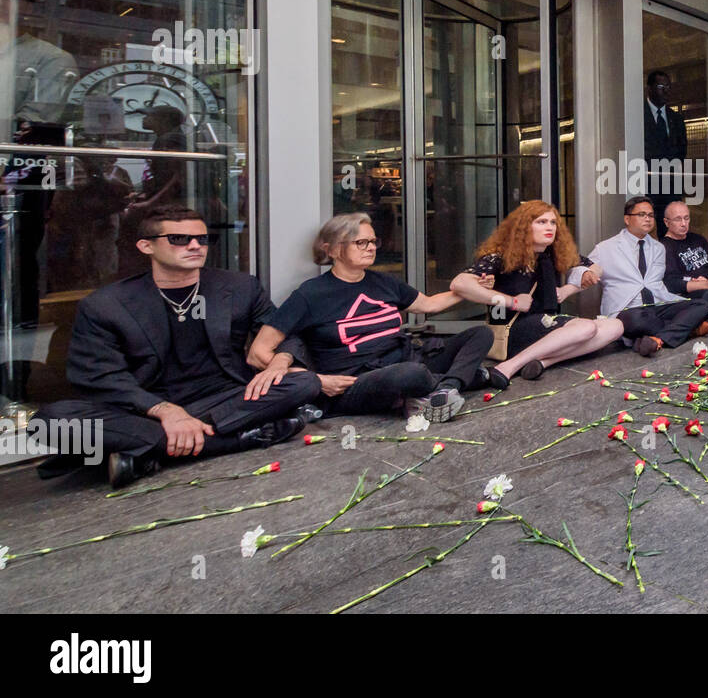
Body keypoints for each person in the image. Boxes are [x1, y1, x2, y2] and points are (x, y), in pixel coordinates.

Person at [30, 205, 321, 489]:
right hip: (145, 407)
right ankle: (243, 438)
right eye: (180, 239)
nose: (195, 246)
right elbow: (98, 376)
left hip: (225, 397)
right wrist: (167, 412)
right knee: (50, 421)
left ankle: (147, 451)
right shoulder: (107, 305)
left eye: (203, 239)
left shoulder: (240, 287)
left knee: (303, 381)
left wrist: (281, 360)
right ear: (146, 246)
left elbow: (283, 332)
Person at [249, 213, 493, 424]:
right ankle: (463, 379)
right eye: (361, 242)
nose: (371, 247)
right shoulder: (309, 295)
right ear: (333, 249)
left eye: (373, 241)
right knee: (411, 374)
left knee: (481, 334)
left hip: (407, 359)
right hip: (356, 381)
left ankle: (447, 388)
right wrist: (314, 379)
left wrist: (472, 289)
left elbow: (429, 304)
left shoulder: (383, 281)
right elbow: (258, 352)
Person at [449, 200, 623, 382]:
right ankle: (507, 367)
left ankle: (542, 362)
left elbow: (597, 268)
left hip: (546, 327)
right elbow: (459, 284)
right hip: (510, 330)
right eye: (541, 222)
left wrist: (568, 290)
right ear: (524, 227)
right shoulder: (500, 256)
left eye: (553, 222)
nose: (550, 227)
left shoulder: (552, 253)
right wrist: (512, 301)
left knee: (616, 326)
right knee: (586, 328)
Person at [586, 196, 708, 357]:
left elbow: (655, 283)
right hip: (628, 309)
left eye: (651, 215)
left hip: (657, 305)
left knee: (701, 305)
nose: (647, 219)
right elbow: (581, 268)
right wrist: (585, 273)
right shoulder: (606, 248)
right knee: (638, 319)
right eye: (642, 215)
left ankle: (656, 339)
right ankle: (690, 331)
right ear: (627, 219)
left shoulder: (658, 248)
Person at [644, 70, 688, 233]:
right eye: (661, 86)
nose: (666, 90)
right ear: (649, 88)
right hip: (645, 182)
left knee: (670, 231)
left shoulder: (676, 119)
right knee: (643, 229)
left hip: (671, 184)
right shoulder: (636, 116)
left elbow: (682, 151)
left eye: (668, 86)